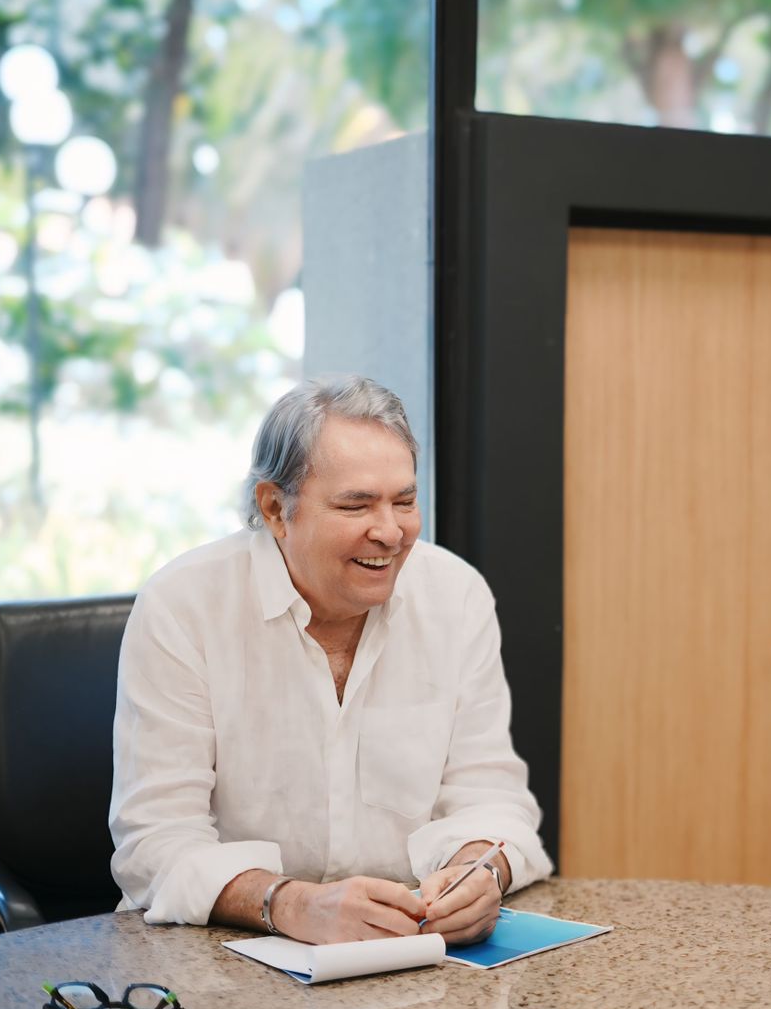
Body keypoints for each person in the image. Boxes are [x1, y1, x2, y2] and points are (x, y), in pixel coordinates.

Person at [110, 376, 552, 945]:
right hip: (222, 957)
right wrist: (288, 903)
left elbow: (492, 796)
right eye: (356, 505)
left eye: (405, 501)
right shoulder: (184, 604)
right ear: (275, 508)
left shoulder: (455, 594)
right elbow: (155, 843)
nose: (391, 532)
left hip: (410, 951)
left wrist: (481, 870)